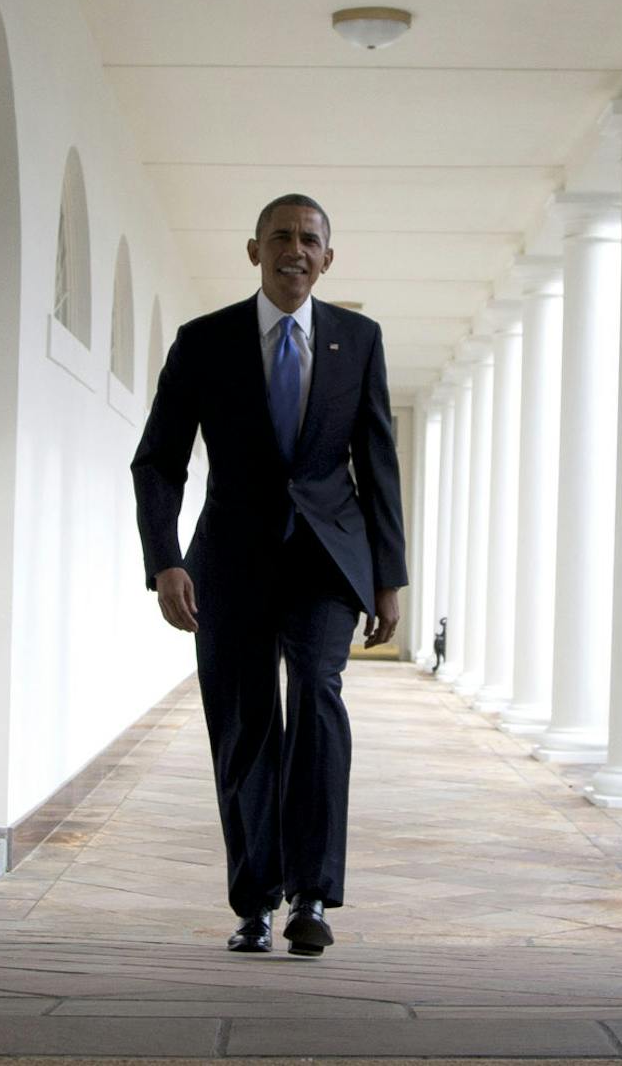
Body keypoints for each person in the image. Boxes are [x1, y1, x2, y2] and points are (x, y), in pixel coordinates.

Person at [130, 195, 406, 957]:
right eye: (280, 237)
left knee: (317, 700)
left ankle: (312, 896)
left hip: (327, 555)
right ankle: (254, 900)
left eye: (310, 239)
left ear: (328, 258)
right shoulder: (204, 342)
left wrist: (389, 578)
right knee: (247, 721)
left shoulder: (359, 340)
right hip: (230, 558)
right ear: (253, 250)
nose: (296, 249)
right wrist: (164, 561)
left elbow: (376, 463)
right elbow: (159, 460)